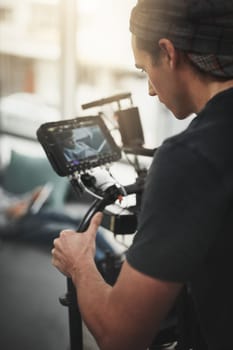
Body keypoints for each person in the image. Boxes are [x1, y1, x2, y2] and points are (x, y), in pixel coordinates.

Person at [51, 1, 233, 349]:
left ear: (168, 52)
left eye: (143, 70)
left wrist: (79, 263)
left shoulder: (188, 158)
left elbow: (122, 336)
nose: (150, 89)